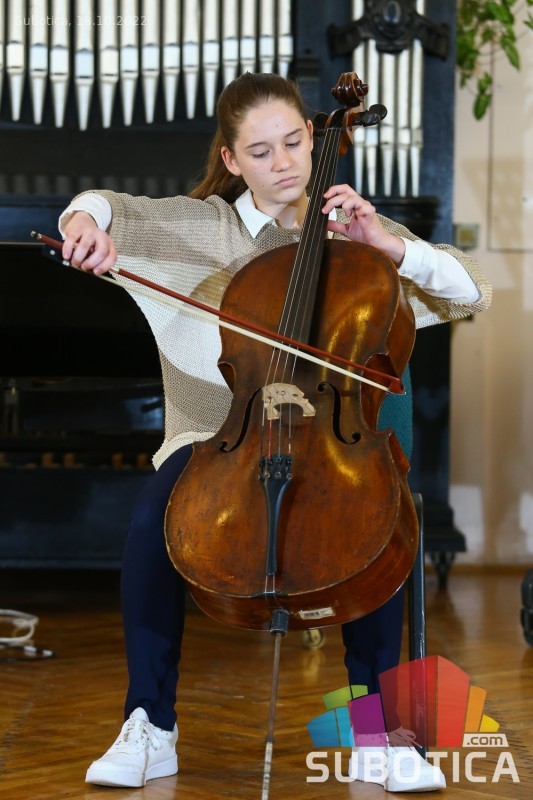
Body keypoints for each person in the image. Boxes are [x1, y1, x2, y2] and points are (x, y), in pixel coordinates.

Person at [59, 72, 491, 793]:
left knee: (377, 521)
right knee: (150, 522)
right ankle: (149, 725)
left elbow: (471, 288)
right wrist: (82, 222)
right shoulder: (202, 226)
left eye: (293, 142)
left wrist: (386, 247)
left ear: (315, 138)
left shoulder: (351, 230)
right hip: (218, 439)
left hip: (332, 439)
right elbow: (107, 205)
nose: (283, 163)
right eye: (260, 152)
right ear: (231, 159)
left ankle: (379, 732)